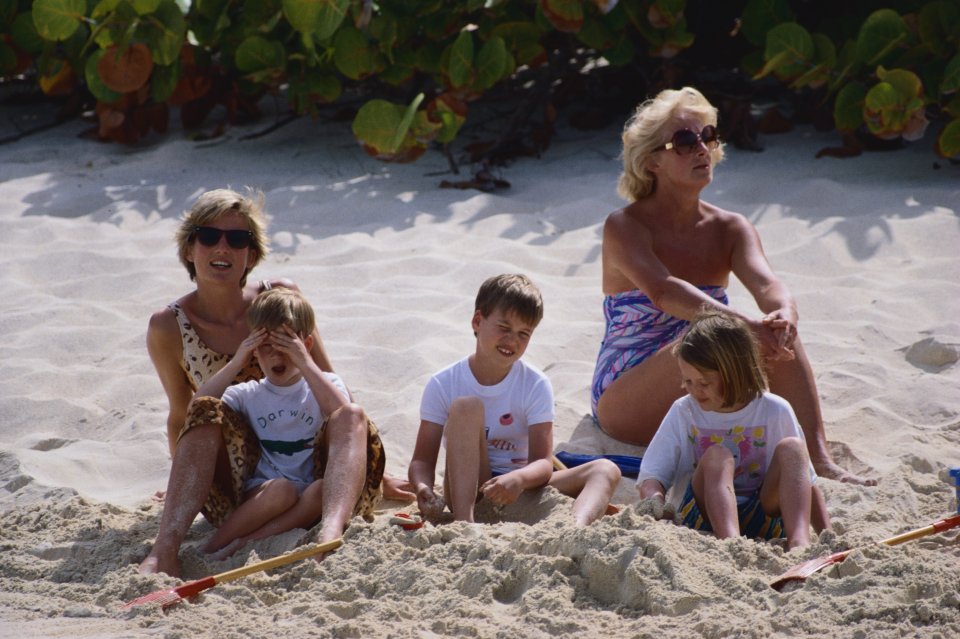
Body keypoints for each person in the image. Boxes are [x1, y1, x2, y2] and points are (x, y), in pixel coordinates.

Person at [590, 86, 874, 485]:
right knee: (736, 335)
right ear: (652, 161)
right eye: (686, 141)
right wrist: (745, 327)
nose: (702, 149)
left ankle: (819, 458)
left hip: (711, 371)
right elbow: (664, 291)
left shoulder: (730, 227)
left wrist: (784, 314)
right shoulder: (625, 226)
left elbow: (768, 284)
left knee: (777, 334)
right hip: (629, 391)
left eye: (707, 136)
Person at [139, 188, 411, 576]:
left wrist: (368, 468)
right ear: (188, 248)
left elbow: (333, 391)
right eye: (209, 236)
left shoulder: (279, 300)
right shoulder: (168, 325)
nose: (223, 248)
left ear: (251, 253)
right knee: (207, 409)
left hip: (308, 460)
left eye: (237, 239)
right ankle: (164, 551)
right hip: (240, 479)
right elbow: (182, 414)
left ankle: (330, 532)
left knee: (346, 414)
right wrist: (184, 485)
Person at [408, 274, 621, 527]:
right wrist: (422, 487)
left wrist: (518, 479)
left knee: (606, 470)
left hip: (522, 488)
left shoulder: (535, 383)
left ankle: (574, 529)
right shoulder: (444, 382)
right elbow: (422, 460)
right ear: (478, 321)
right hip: (470, 490)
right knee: (467, 407)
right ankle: (464, 526)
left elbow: (542, 462)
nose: (512, 341)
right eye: (504, 328)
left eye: (523, 333)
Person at [194, 288, 372, 557]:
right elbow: (198, 408)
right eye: (266, 347)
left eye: (286, 345)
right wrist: (237, 361)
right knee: (282, 490)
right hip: (266, 492)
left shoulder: (326, 384)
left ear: (306, 345)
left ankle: (252, 541)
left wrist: (306, 361)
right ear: (254, 350)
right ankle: (215, 544)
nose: (276, 355)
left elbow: (346, 419)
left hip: (313, 497)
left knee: (319, 489)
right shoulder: (248, 393)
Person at [637, 308, 828, 549]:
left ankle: (800, 543)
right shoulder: (684, 411)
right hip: (701, 516)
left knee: (793, 447)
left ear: (736, 373)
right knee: (718, 455)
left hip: (764, 516)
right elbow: (652, 474)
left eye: (704, 383)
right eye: (688, 381)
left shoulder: (774, 409)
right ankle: (732, 545)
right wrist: (655, 503)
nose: (694, 390)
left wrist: (827, 534)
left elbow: (805, 481)